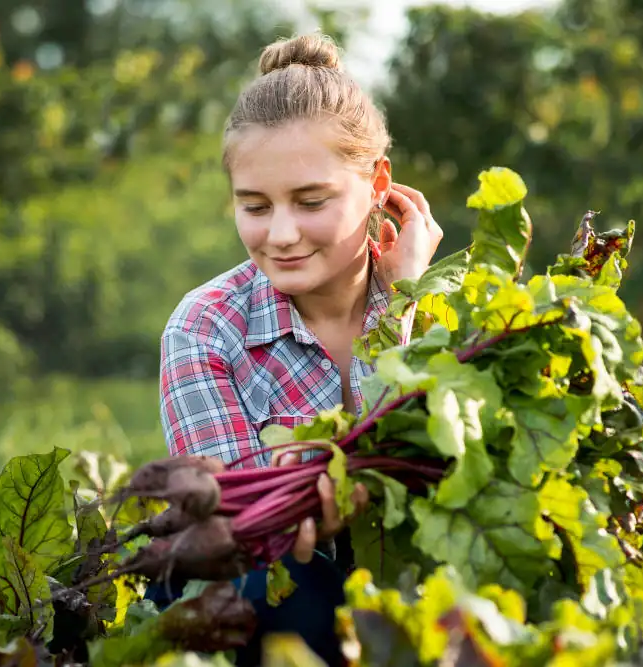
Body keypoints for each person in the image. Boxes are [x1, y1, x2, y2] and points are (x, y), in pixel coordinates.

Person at [150, 32, 443, 666]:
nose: (281, 235)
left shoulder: (447, 311)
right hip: (278, 595)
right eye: (255, 207)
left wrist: (403, 302)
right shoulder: (204, 327)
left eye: (311, 202)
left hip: (421, 585)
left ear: (378, 184)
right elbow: (234, 529)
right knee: (277, 586)